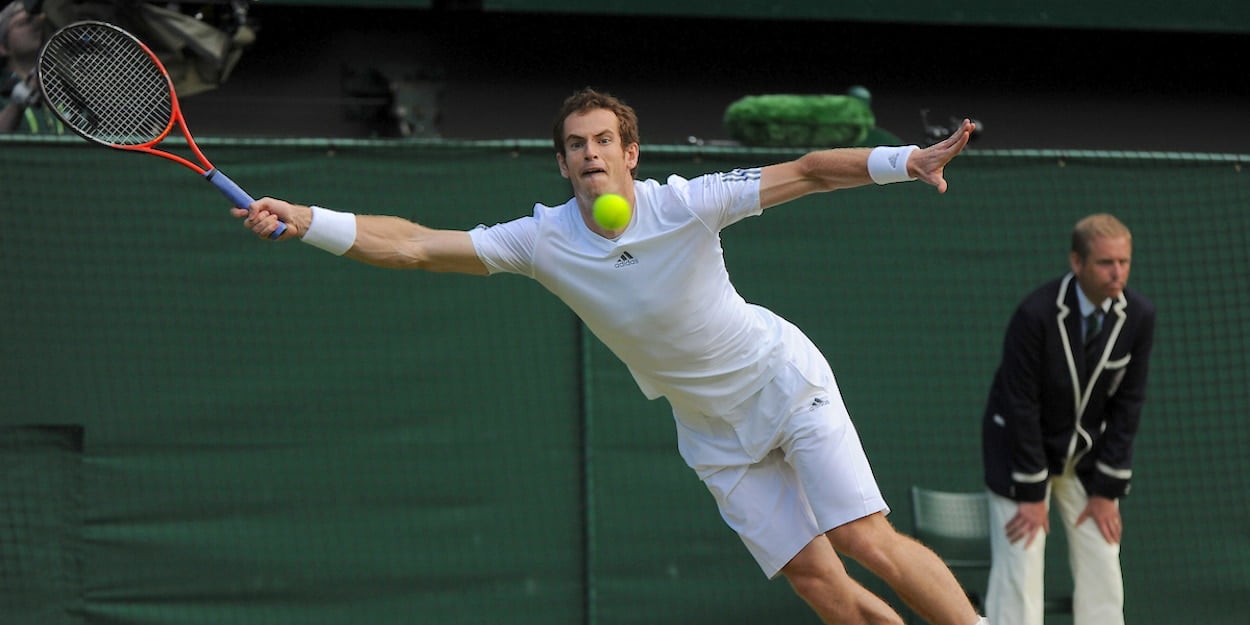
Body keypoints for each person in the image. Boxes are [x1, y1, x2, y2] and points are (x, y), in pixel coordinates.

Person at [237, 87, 985, 625]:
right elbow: (414, 246)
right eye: (574, 144)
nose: (589, 153)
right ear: (562, 165)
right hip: (712, 433)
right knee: (819, 582)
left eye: (602, 141)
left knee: (861, 537)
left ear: (631, 154)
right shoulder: (543, 239)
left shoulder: (685, 202)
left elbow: (814, 168)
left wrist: (905, 159)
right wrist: (307, 219)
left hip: (783, 384)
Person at [980, 213, 1155, 625]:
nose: (1117, 273)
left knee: (1103, 554)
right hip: (1020, 454)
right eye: (1105, 263)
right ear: (1077, 263)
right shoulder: (1035, 314)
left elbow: (1128, 404)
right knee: (1020, 562)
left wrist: (1106, 491)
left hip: (1085, 461)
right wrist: (1031, 494)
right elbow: (1020, 404)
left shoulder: (1140, 316)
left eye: (1124, 262)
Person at [0, 0, 62, 134]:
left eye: (40, 20)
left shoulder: (65, 84)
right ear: (3, 47)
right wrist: (18, 102)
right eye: (26, 22)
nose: (37, 24)